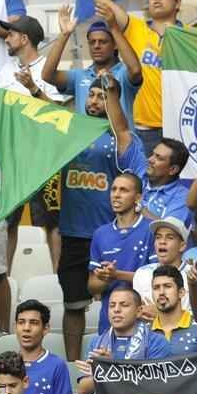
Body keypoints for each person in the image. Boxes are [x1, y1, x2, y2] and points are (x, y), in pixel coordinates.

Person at [55, 74, 146, 359]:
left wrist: (113, 93)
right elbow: (47, 118)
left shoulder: (120, 140)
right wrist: (34, 89)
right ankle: (73, 365)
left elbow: (123, 131)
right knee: (73, 305)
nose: (94, 101)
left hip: (108, 234)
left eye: (102, 97)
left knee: (120, 300)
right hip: (73, 233)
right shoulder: (70, 132)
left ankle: (124, 358)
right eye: (91, 95)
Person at [94, 0, 184, 157]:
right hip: (145, 130)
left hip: (181, 127)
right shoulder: (135, 27)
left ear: (178, 2)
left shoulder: (192, 36)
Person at [87, 173, 152, 333]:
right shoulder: (100, 234)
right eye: (114, 189)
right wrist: (106, 278)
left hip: (144, 320)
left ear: (137, 197)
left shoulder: (151, 229)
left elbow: (157, 278)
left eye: (123, 190)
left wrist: (117, 275)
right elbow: (92, 287)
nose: (116, 195)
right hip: (109, 322)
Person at [150, 264, 197, 354]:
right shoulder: (144, 332)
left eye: (167, 286)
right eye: (156, 288)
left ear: (181, 292)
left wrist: (192, 285)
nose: (161, 292)